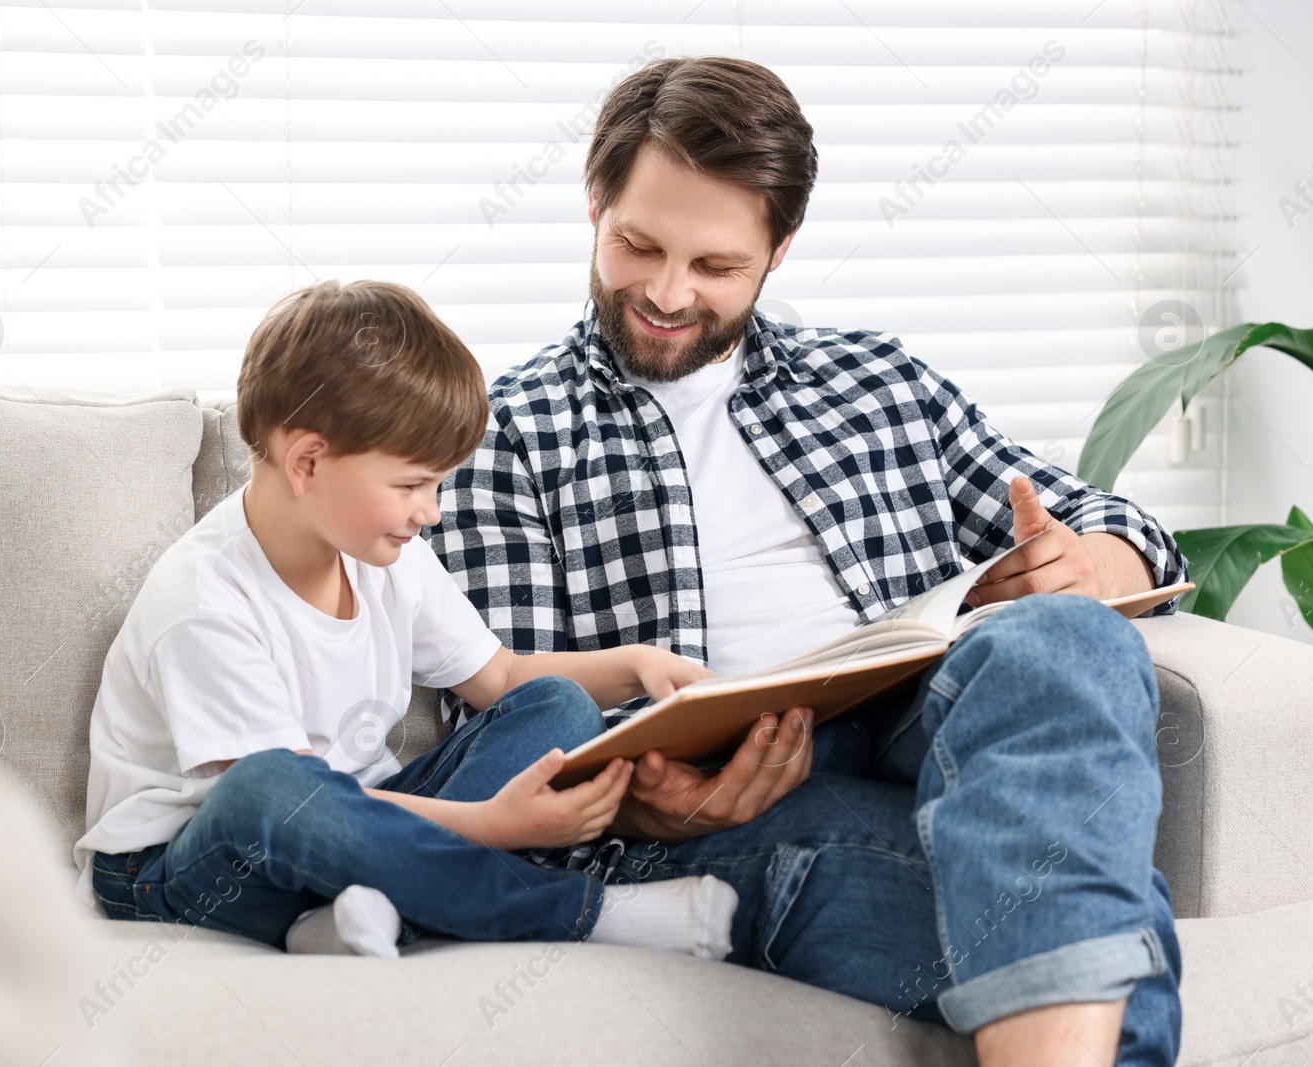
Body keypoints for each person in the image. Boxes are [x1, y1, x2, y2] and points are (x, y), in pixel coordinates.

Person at [428, 56, 1190, 1067]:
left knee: (1063, 632)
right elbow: (497, 727)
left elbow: (1119, 525)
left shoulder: (877, 381)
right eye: (637, 244)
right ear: (593, 204)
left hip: (930, 722)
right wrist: (646, 791)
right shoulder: (503, 435)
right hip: (718, 804)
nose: (663, 293)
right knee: (1103, 936)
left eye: (714, 267)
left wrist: (1092, 562)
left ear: (780, 250)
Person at [71, 279, 748, 962]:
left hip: (360, 820)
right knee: (271, 786)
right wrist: (490, 825)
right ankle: (583, 911)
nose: (432, 511)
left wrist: (637, 665)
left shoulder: (389, 556)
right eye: (410, 485)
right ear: (308, 461)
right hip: (180, 865)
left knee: (556, 706)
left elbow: (502, 677)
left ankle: (349, 914)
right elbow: (291, 801)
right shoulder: (201, 600)